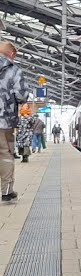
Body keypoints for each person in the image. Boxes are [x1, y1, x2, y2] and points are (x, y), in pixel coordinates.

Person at [0, 41, 32, 202]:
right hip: (4, 121)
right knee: (5, 155)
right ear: (11, 54)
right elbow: (21, 96)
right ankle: (6, 191)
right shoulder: (13, 70)